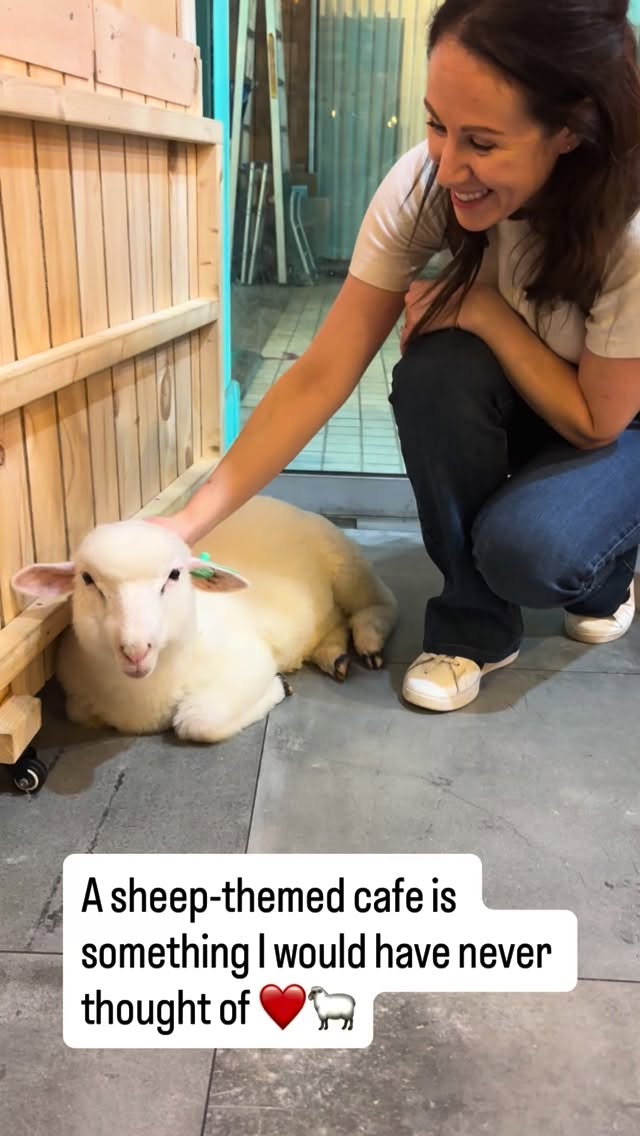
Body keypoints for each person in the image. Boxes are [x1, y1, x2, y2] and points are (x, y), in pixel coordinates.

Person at [152, 0, 640, 712]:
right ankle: (473, 627)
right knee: (436, 371)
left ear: (569, 129)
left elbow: (597, 421)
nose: (448, 166)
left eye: (482, 142)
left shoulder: (629, 229)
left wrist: (484, 311)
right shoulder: (422, 182)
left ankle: (608, 569)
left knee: (532, 553)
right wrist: (186, 525)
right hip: (534, 401)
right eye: (437, 123)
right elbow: (322, 371)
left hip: (614, 423)